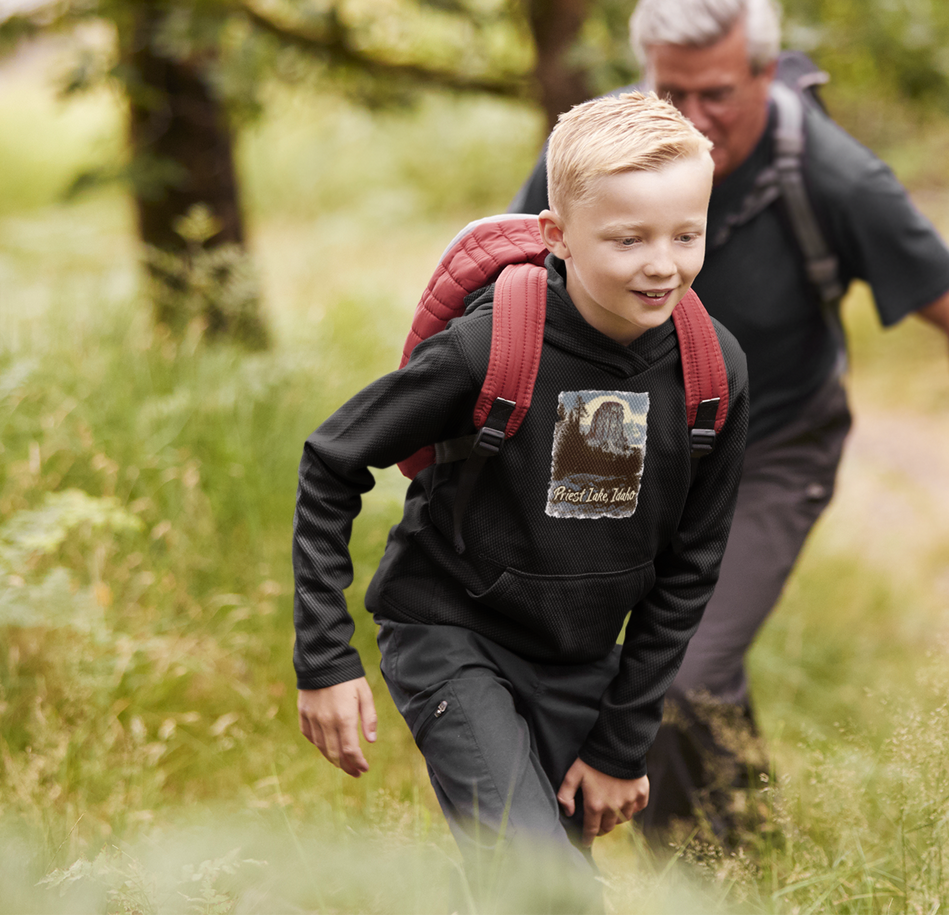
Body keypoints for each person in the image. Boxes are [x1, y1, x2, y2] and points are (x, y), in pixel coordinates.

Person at [509, 0, 949, 845]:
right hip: (619, 434)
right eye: (667, 88)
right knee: (588, 654)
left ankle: (700, 879)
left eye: (714, 93)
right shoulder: (599, 150)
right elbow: (512, 274)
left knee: (672, 671)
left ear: (767, 72)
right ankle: (748, 848)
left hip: (769, 446)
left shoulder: (833, 178)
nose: (688, 116)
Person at [290, 92, 750, 909]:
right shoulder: (486, 347)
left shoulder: (713, 373)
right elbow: (332, 462)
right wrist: (325, 657)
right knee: (548, 890)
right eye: (628, 238)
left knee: (524, 885)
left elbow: (690, 569)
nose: (662, 264)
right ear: (556, 236)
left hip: (579, 657)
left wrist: (620, 742)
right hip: (451, 632)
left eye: (687, 235)